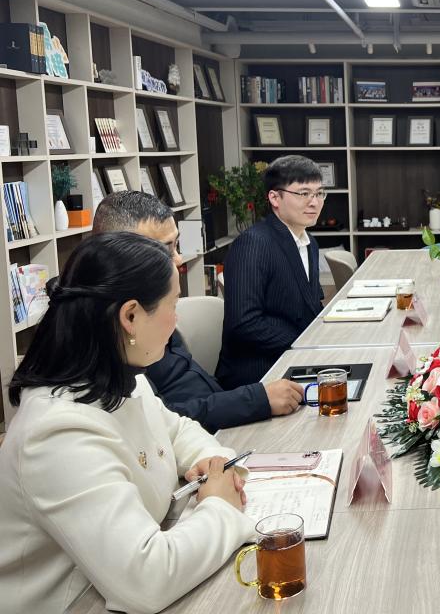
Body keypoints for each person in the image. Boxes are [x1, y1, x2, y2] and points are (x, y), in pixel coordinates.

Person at [0, 233, 256, 614]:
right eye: (173, 305)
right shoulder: (55, 433)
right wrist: (220, 506)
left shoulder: (122, 376)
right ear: (131, 316)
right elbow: (147, 579)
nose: (177, 319)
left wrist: (211, 460)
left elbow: (176, 429)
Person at [92, 191, 303, 431]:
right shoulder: (109, 331)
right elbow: (160, 422)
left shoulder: (151, 302)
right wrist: (255, 400)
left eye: (176, 245)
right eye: (165, 249)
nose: (178, 259)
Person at [218, 155, 325, 390]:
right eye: (304, 193)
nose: (314, 202)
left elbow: (310, 305)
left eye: (319, 193)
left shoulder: (309, 242)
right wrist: (305, 343)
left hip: (298, 358)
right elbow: (244, 323)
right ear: (275, 198)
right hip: (260, 374)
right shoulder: (254, 243)